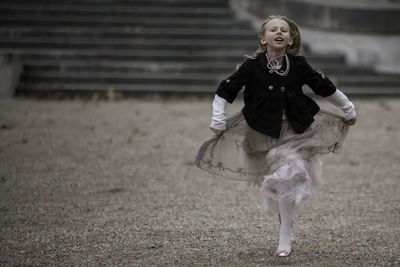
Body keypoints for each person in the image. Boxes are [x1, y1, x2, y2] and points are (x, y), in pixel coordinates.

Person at [195, 15, 357, 257]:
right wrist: (217, 118)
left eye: (284, 30)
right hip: (262, 131)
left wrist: (348, 108)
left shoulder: (298, 65)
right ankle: (286, 221)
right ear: (263, 38)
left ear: (290, 39)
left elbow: (324, 86)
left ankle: (284, 235)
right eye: (273, 29)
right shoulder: (252, 66)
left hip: (295, 131)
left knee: (288, 172)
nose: (279, 32)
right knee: (282, 178)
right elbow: (225, 90)